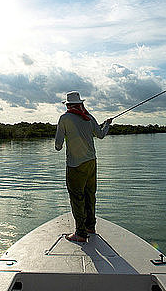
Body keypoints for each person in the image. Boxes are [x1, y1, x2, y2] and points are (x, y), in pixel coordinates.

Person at [55, 91, 112, 242]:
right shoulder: (89, 117)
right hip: (91, 162)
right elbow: (100, 135)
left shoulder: (64, 118)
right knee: (90, 194)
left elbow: (58, 146)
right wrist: (107, 124)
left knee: (77, 197)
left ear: (68, 105)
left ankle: (80, 233)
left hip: (75, 165)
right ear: (81, 104)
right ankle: (90, 226)